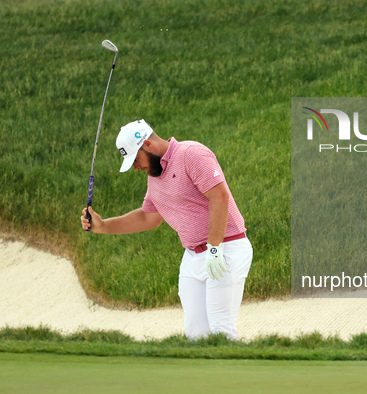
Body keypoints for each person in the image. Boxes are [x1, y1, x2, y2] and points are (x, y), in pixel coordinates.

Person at [80, 119, 253, 340]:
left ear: (148, 146)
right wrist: (103, 226)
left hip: (225, 248)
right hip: (192, 257)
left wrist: (214, 248)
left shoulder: (191, 154)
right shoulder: (155, 179)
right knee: (196, 335)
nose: (135, 167)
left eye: (135, 159)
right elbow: (148, 218)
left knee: (221, 330)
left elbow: (219, 196)